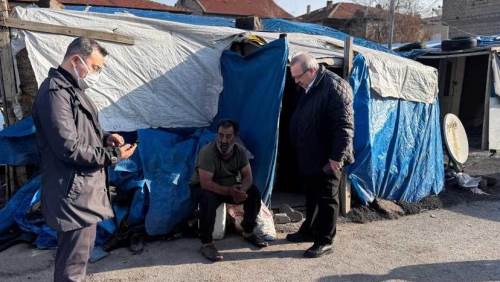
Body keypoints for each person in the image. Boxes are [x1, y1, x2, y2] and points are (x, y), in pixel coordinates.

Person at [32, 37, 137, 282]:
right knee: (73, 266)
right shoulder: (54, 93)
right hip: (73, 193)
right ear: (76, 59)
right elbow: (68, 148)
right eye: (95, 67)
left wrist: (105, 138)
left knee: (79, 258)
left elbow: (82, 131)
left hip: (81, 190)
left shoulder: (72, 90)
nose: (96, 73)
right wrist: (113, 155)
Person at [286, 52, 354, 258]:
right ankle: (309, 230)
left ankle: (325, 240)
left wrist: (336, 159)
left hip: (329, 157)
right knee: (312, 195)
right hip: (311, 154)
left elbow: (345, 127)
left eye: (298, 77)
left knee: (327, 198)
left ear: (312, 70)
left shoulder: (335, 87)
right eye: (294, 77)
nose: (296, 82)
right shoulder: (309, 86)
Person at [190, 119, 267, 262]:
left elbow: (248, 177)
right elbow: (206, 183)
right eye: (220, 135)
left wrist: (241, 191)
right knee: (207, 199)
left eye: (228, 136)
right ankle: (206, 243)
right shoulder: (207, 152)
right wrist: (230, 192)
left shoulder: (240, 151)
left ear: (235, 137)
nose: (223, 140)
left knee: (253, 192)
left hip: (229, 187)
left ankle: (248, 231)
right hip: (205, 187)